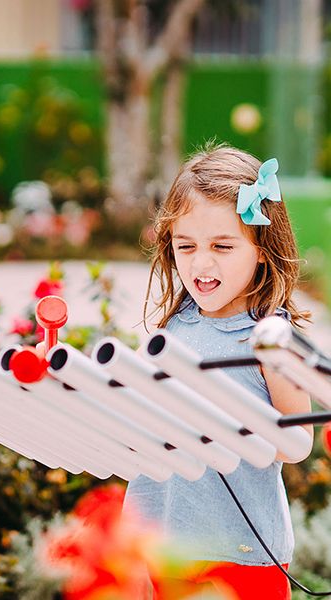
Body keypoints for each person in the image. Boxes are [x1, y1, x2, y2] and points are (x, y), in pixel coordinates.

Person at [127, 145, 314, 599]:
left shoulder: (271, 337)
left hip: (241, 552)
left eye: (222, 247)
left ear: (263, 251)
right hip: (162, 543)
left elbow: (298, 444)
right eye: (186, 246)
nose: (201, 263)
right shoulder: (174, 326)